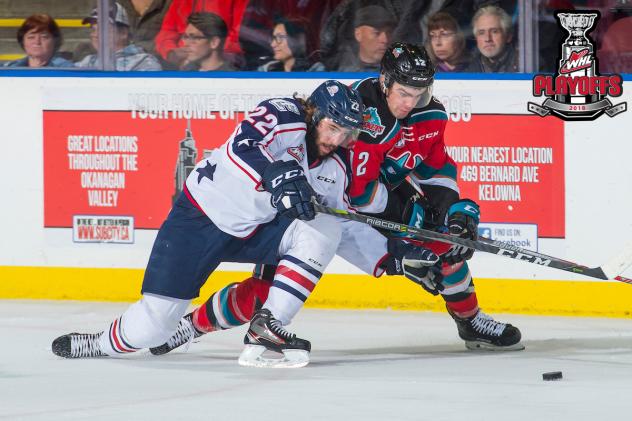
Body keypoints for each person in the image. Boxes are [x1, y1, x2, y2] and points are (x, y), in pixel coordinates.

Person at [51, 80, 441, 368]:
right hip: (201, 217)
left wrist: (392, 258)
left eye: (347, 133)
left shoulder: (335, 165)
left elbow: (343, 225)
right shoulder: (282, 113)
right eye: (333, 127)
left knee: (322, 228)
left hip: (257, 227)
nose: (338, 140)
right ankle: (99, 342)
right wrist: (277, 174)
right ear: (314, 114)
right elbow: (241, 147)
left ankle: (266, 327)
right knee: (152, 326)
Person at [347, 42, 523, 351]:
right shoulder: (360, 107)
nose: (410, 103)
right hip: (335, 202)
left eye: (419, 94)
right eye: (404, 93)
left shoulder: (430, 115)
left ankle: (470, 321)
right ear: (385, 81)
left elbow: (435, 167)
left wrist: (451, 213)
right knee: (288, 254)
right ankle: (256, 318)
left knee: (448, 242)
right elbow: (358, 195)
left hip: (384, 195)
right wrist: (407, 221)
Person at [154, 0, 247, 69]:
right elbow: (167, 31)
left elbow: (239, 37)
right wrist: (171, 52)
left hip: (222, 64)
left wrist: (209, 54)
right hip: (183, 64)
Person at [75, 3, 163, 71]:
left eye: (102, 29)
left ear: (123, 33)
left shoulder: (143, 62)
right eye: (93, 29)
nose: (94, 34)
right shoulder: (89, 61)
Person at [336, 5, 396, 72]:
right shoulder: (339, 70)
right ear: (358, 34)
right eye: (376, 33)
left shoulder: (399, 71)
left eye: (389, 33)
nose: (385, 40)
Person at [4, 14, 73, 68]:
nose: (37, 42)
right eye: (31, 37)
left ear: (55, 41)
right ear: (23, 41)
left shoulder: (68, 70)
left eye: (44, 37)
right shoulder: (10, 67)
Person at [465, 4, 518, 73]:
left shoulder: (525, 64)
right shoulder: (468, 68)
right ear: (476, 38)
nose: (487, 39)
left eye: (494, 31)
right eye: (481, 33)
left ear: (508, 36)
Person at [257, 17, 324, 72]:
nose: (273, 44)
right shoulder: (267, 69)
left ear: (300, 40)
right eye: (274, 38)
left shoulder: (316, 71)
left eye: (280, 37)